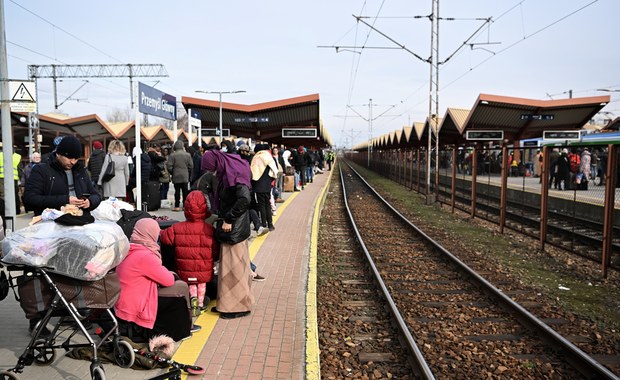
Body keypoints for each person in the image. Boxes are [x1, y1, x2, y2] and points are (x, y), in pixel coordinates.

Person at [22, 135, 101, 336]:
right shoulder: (42, 170)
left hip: (77, 228)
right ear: (59, 154)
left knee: (76, 268)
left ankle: (75, 309)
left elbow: (95, 193)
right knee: (42, 272)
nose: (72, 162)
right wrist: (63, 200)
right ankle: (37, 319)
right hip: (49, 230)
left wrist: (90, 202)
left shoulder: (80, 170)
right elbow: (30, 199)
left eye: (76, 159)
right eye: (68, 158)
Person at [115, 218, 195, 342]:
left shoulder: (130, 249)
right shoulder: (145, 255)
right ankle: (182, 332)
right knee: (178, 298)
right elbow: (168, 281)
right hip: (136, 304)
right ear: (151, 234)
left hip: (124, 302)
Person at [201, 149, 254, 319]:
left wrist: (229, 219)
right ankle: (226, 303)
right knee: (229, 268)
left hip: (234, 229)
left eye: (212, 168)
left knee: (234, 269)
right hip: (232, 228)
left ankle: (238, 307)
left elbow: (245, 199)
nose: (212, 172)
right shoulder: (229, 170)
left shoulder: (235, 174)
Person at [160, 190, 219, 316]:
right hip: (204, 267)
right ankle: (201, 304)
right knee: (201, 283)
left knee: (191, 282)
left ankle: (192, 301)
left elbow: (165, 238)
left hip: (185, 267)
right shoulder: (210, 230)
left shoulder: (176, 228)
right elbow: (215, 250)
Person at [251, 144, 278, 232]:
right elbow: (275, 170)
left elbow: (253, 172)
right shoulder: (269, 157)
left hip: (258, 185)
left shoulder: (255, 158)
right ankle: (270, 224)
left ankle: (264, 223)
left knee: (261, 205)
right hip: (267, 185)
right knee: (268, 204)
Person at [167, 140, 192, 211]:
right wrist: (187, 171)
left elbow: (169, 166)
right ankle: (185, 206)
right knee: (185, 191)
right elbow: (191, 166)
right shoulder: (188, 155)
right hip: (185, 176)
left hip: (176, 176)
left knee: (177, 191)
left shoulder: (172, 155)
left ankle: (177, 206)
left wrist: (173, 172)